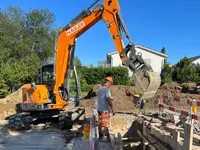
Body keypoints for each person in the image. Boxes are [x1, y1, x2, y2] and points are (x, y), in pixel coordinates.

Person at [97, 76, 114, 141]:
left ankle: (100, 135)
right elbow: (108, 100)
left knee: (100, 123)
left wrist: (109, 97)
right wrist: (112, 108)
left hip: (99, 109)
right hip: (105, 110)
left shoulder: (100, 89)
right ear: (109, 83)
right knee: (104, 124)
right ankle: (104, 138)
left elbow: (103, 97)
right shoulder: (107, 90)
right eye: (111, 84)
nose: (110, 86)